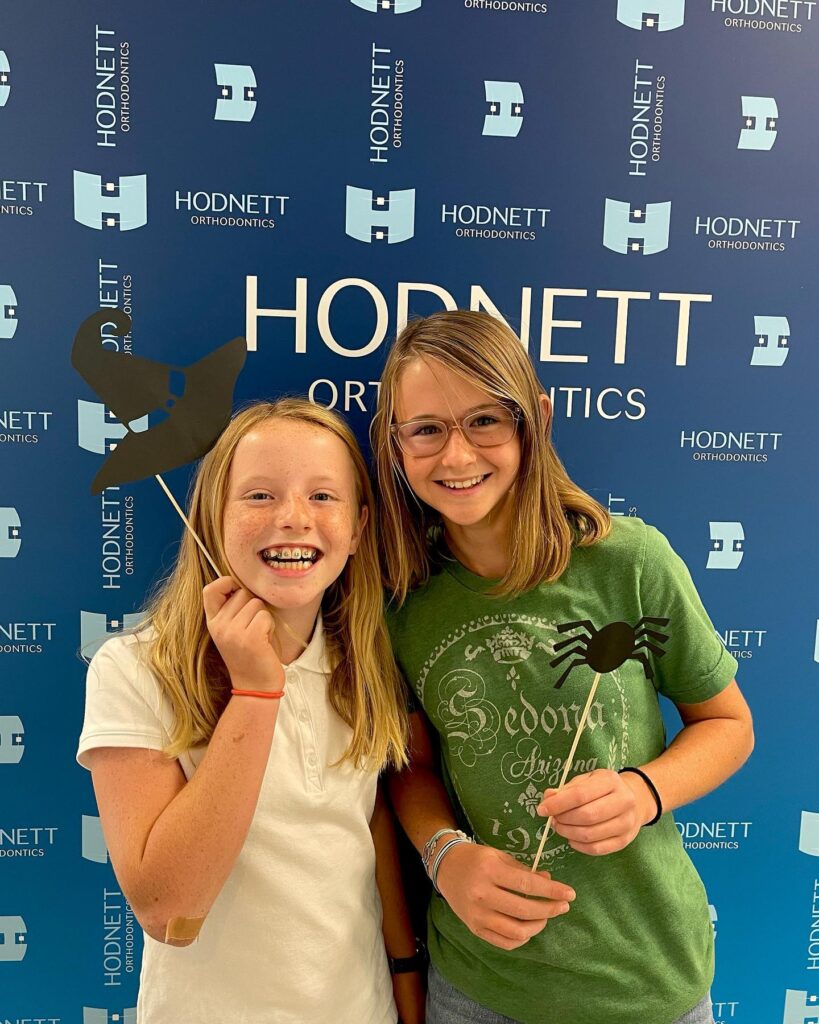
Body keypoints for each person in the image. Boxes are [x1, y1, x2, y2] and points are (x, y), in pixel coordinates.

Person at [371, 311, 754, 1024]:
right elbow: (410, 766)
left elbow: (727, 723)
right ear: (394, 443)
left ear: (536, 420)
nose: (455, 457)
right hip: (479, 987)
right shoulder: (398, 600)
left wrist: (643, 791)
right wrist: (444, 854)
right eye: (425, 429)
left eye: (485, 420)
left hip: (645, 979)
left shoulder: (630, 562)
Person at [77, 398, 424, 1024]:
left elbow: (366, 828)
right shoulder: (134, 669)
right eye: (260, 496)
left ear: (358, 526)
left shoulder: (370, 666)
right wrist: (256, 693)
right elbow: (169, 911)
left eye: (323, 497)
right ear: (214, 517)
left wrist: (405, 982)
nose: (293, 519)